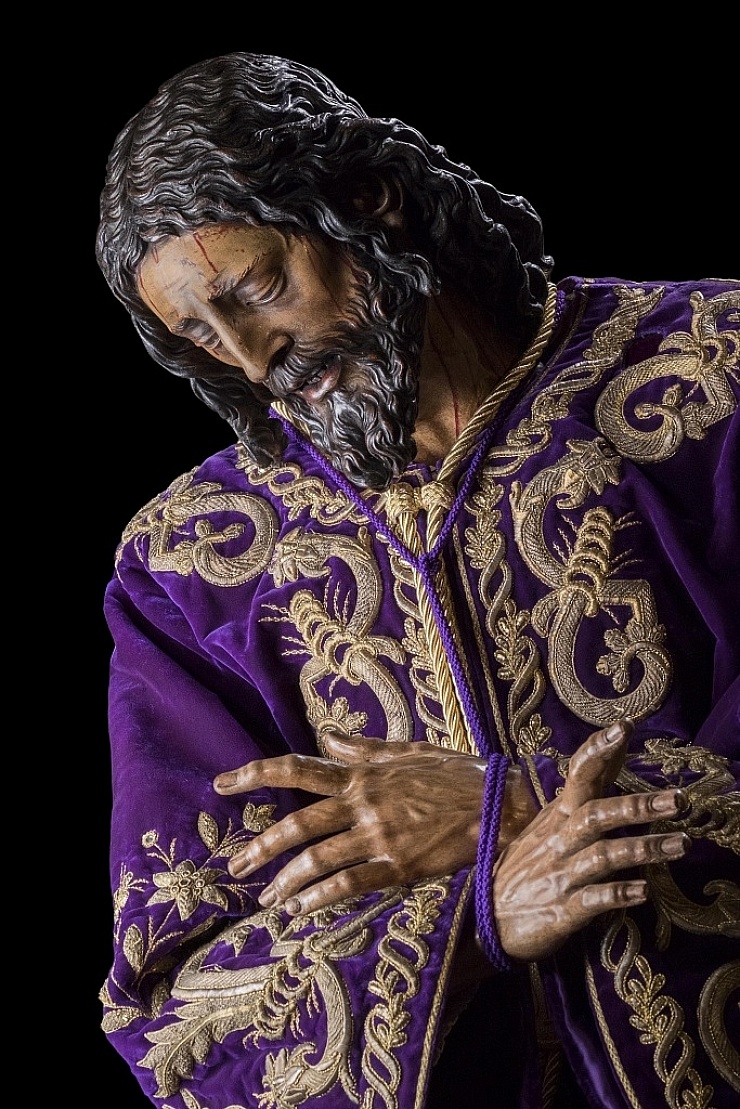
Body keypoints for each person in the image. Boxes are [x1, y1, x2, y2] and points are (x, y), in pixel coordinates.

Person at [95, 51, 739, 1109]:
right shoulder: (193, 564)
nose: (251, 361)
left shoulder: (709, 379)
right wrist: (482, 912)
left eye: (257, 290)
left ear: (367, 201)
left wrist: (510, 802)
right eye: (199, 336)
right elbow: (176, 1007)